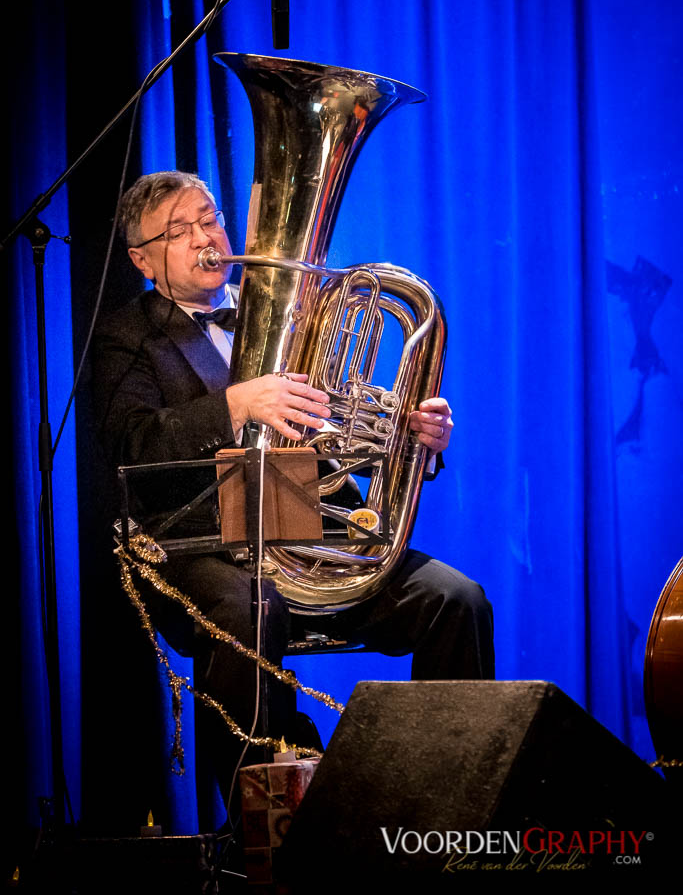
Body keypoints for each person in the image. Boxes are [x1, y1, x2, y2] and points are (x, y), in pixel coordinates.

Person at [93, 170, 494, 817]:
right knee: (251, 605)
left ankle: (447, 797)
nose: (204, 237)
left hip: (307, 533)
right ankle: (265, 821)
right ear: (142, 260)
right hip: (200, 550)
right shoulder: (125, 335)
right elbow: (130, 442)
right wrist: (232, 406)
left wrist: (408, 437)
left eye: (208, 218)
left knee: (456, 600)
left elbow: (338, 436)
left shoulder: (290, 315)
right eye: (178, 231)